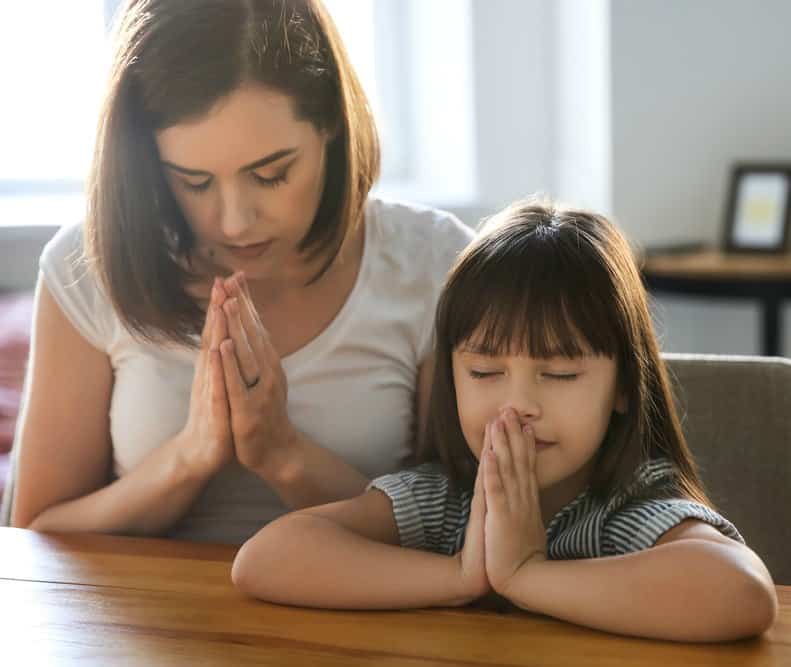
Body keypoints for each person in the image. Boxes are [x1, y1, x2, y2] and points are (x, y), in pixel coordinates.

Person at [5, 0, 473, 542]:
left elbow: (461, 535)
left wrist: (285, 457)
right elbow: (33, 535)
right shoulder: (85, 266)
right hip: (136, 623)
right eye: (194, 182)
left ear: (331, 128)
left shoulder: (431, 263)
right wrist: (190, 457)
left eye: (272, 174)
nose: (233, 223)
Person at [231, 199, 778, 642]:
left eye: (560, 374)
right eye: (486, 371)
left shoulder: (625, 506)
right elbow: (263, 560)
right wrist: (460, 576)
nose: (517, 405)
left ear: (623, 388)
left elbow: (742, 593)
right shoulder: (447, 498)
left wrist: (526, 574)